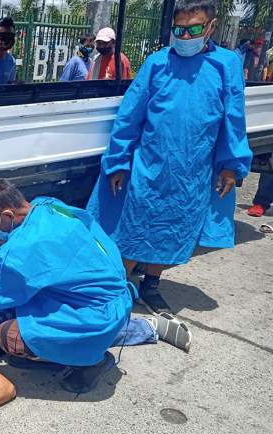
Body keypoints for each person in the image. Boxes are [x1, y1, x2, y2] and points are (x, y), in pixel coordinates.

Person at [86, 0, 253, 315]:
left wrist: (231, 166)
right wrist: (119, 161)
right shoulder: (157, 63)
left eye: (195, 29)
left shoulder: (226, 64)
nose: (186, 36)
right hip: (150, 165)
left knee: (173, 228)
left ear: (211, 27)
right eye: (180, 29)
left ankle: (151, 286)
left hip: (194, 169)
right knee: (135, 227)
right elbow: (129, 115)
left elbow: (234, 117)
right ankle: (117, 289)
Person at [0, 179, 135, 397]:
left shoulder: (22, 250)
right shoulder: (49, 206)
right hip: (115, 295)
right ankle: (58, 350)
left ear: (7, 215)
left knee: (7, 335)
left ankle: (92, 361)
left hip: (97, 317)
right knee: (6, 275)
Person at [0, 297, 188, 433]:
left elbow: (4, 387)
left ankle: (150, 328)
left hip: (24, 315)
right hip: (11, 296)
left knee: (54, 338)